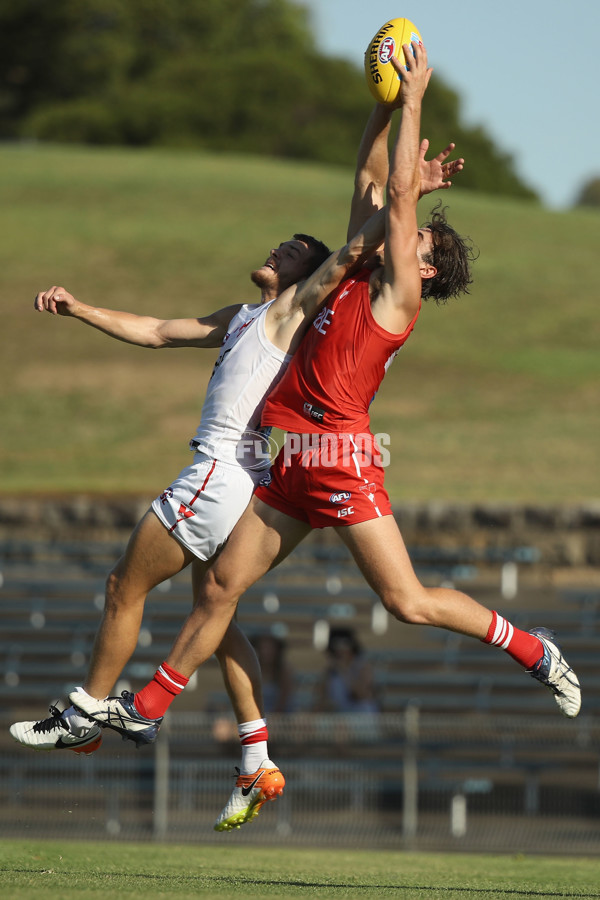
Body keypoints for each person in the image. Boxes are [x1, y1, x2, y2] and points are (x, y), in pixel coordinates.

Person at [65, 44, 580, 834]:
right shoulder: (348, 270)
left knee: (404, 603)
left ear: (429, 275)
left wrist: (413, 101)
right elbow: (371, 180)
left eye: (422, 243)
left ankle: (532, 649)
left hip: (336, 459)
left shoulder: (398, 289)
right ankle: (153, 711)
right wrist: (380, 108)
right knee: (218, 587)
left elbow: (399, 190)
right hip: (283, 462)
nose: (408, 236)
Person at [312, 627, 379, 714]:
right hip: (339, 716)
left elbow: (362, 695)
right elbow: (321, 696)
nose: (340, 651)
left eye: (344, 645)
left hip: (361, 714)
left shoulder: (362, 666)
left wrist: (344, 670)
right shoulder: (330, 670)